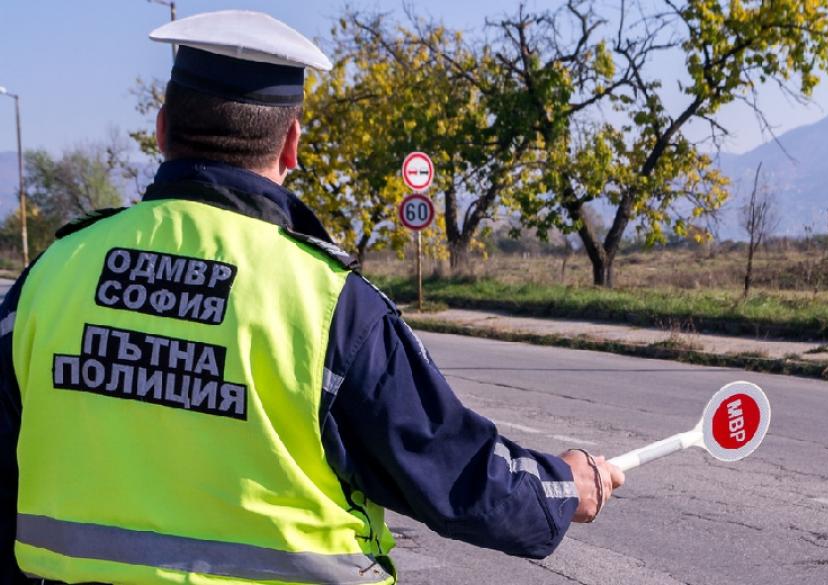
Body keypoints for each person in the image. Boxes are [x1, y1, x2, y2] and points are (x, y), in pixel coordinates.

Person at [0, 10, 624, 585]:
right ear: (291, 143)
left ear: (161, 131)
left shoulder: (56, 272)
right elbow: (454, 473)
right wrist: (565, 484)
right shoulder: (330, 303)